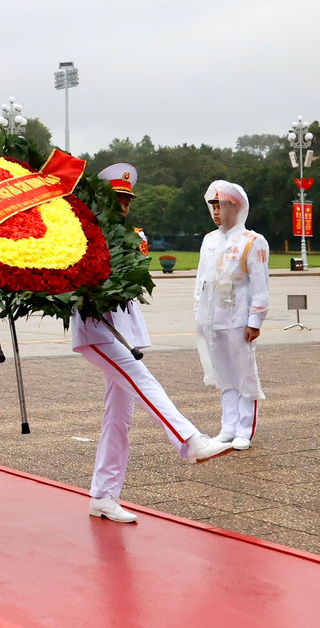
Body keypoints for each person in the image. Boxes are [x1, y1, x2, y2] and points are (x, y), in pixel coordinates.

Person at [69, 164, 235, 527]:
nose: (124, 207)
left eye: (127, 200)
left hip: (124, 330)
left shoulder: (132, 235)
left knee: (119, 419)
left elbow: (136, 275)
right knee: (143, 379)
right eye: (118, 200)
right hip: (96, 330)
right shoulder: (81, 233)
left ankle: (104, 495)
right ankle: (188, 440)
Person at [194, 181, 269, 451]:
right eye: (212, 205)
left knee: (244, 374)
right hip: (214, 318)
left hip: (238, 318)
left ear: (236, 207)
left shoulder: (253, 241)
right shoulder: (210, 241)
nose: (215, 211)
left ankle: (244, 430)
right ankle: (228, 426)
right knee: (224, 375)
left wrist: (255, 321)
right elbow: (201, 280)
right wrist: (199, 314)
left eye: (221, 205)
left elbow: (259, 286)